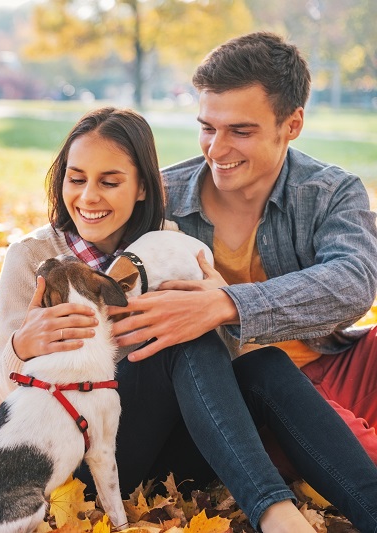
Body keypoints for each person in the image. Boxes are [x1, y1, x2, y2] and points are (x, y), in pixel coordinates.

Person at [0, 106, 377, 532]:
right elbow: (2, 405)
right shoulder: (32, 258)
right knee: (182, 342)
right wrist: (20, 347)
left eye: (110, 181)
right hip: (83, 459)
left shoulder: (167, 244)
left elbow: (218, 375)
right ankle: (274, 514)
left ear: (143, 188)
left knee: (262, 363)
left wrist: (218, 303)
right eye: (76, 178)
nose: (88, 197)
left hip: (175, 454)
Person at [107, 32, 377, 470]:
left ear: (292, 124)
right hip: (245, 400)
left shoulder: (330, 191)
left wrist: (227, 304)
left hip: (330, 362)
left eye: (241, 131)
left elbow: (353, 281)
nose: (217, 148)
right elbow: (81, 233)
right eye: (208, 127)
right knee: (359, 464)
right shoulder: (161, 197)